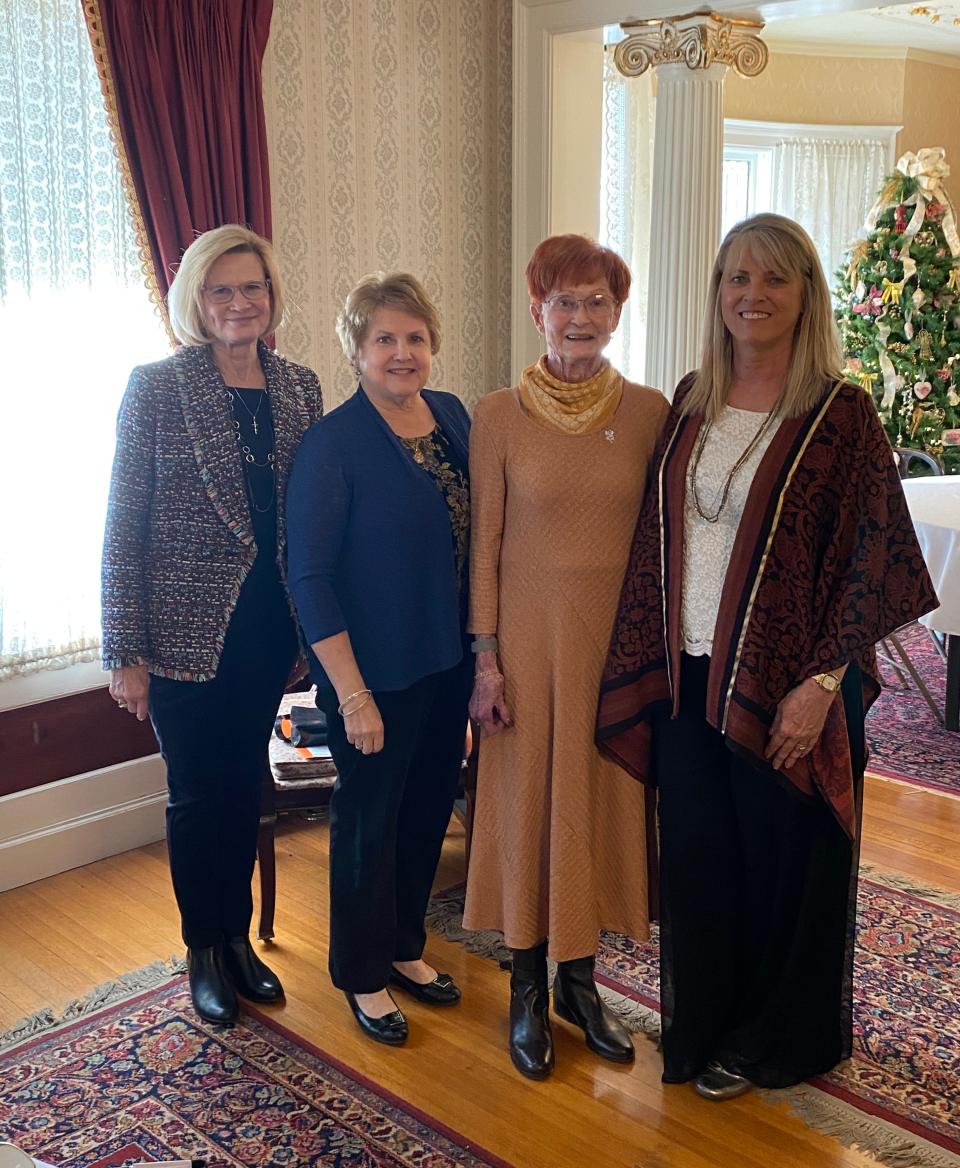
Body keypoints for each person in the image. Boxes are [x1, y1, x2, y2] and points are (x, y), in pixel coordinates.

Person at [597, 213, 937, 1099]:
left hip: (788, 685)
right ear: (717, 294)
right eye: (735, 278)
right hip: (686, 676)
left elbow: (876, 562)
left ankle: (772, 1041)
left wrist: (822, 687)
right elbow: (650, 536)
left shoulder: (841, 413)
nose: (751, 295)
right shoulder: (688, 400)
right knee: (703, 860)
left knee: (785, 863)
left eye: (774, 278)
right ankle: (703, 1026)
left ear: (805, 295)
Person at [101, 225, 323, 1026]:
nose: (240, 303)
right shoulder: (157, 387)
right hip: (181, 635)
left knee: (242, 784)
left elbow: (307, 515)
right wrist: (123, 649)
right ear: (197, 300)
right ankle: (205, 947)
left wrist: (309, 629)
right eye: (222, 290)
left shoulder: (300, 386)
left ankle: (239, 944)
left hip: (269, 629)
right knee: (199, 793)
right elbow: (125, 522)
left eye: (252, 288)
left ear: (272, 296)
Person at [464, 235, 669, 1079]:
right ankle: (524, 985)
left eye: (596, 301)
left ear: (617, 313)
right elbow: (484, 546)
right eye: (564, 301)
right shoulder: (498, 415)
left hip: (613, 656)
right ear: (537, 310)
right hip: (524, 656)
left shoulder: (655, 412)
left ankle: (580, 985)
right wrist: (485, 661)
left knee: (597, 806)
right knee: (527, 810)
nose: (579, 317)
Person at [286, 273, 471, 1047]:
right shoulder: (333, 444)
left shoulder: (455, 416)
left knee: (427, 809)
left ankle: (403, 947)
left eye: (415, 338)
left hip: (446, 661)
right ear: (356, 350)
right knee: (369, 822)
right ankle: (362, 972)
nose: (402, 353)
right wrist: (351, 695)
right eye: (385, 340)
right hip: (371, 677)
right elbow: (310, 576)